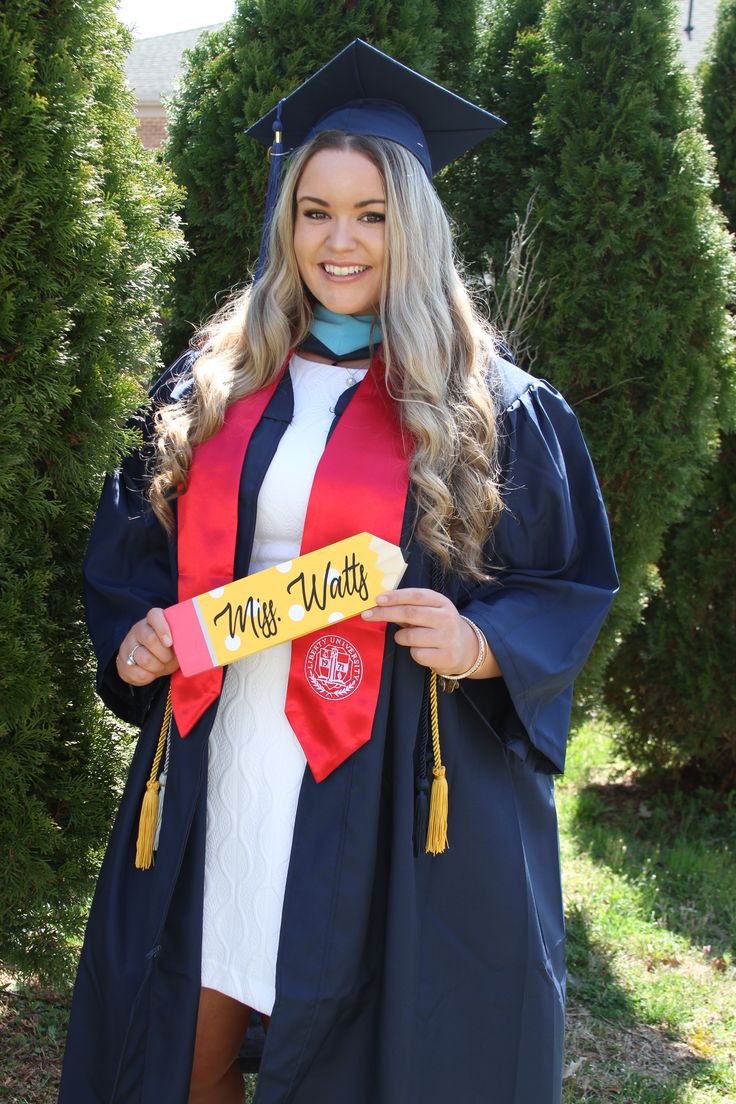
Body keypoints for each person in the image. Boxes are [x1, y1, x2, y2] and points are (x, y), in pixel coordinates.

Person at [59, 39, 617, 1104]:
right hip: (226, 758)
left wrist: (482, 640)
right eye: (316, 210)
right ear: (285, 219)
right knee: (183, 1043)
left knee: (378, 1054)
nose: (341, 240)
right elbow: (135, 549)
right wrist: (134, 631)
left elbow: (568, 582)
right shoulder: (216, 381)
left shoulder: (493, 406)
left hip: (398, 766)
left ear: (415, 223)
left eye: (371, 213)